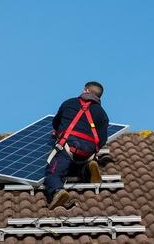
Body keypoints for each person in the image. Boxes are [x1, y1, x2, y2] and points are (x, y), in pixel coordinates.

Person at [45, 81, 109, 210]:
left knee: (53, 173)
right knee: (77, 165)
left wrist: (58, 134)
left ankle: (58, 191)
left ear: (86, 90)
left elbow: (56, 123)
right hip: (88, 152)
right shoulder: (102, 113)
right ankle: (88, 168)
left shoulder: (69, 103)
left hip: (68, 145)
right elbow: (102, 139)